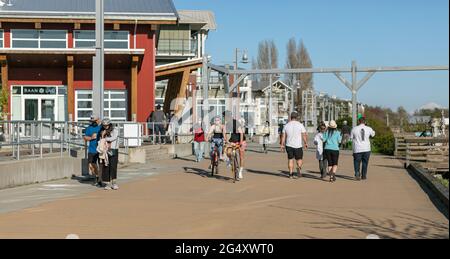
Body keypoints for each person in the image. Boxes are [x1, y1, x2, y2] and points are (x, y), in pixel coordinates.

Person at [280, 112, 308, 179]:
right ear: (297, 117)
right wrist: (305, 143)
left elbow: (283, 136)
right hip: (298, 145)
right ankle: (299, 168)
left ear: (290, 117)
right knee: (299, 159)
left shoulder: (286, 125)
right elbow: (304, 135)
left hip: (289, 145)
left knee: (290, 159)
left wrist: (282, 145)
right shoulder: (300, 125)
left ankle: (290, 174)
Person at [224, 111, 246, 180]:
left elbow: (241, 133)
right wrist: (226, 141)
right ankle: (230, 161)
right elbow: (225, 133)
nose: (224, 118)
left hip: (241, 140)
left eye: (225, 117)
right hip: (233, 140)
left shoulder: (235, 122)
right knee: (227, 151)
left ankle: (240, 172)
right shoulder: (227, 124)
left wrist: (241, 142)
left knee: (241, 156)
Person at [99, 118, 120, 190]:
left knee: (113, 166)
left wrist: (105, 138)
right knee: (106, 166)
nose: (105, 126)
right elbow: (100, 139)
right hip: (105, 150)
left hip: (113, 149)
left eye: (107, 125)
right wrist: (102, 136)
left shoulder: (115, 130)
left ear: (109, 124)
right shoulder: (102, 131)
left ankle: (114, 182)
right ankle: (107, 183)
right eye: (104, 125)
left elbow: (114, 138)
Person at [83, 114, 102, 186]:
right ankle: (97, 177)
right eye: (92, 121)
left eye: (95, 121)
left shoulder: (101, 127)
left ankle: (100, 179)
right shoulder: (89, 128)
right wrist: (91, 138)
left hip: (100, 149)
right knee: (91, 164)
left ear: (98, 120)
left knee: (101, 165)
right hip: (92, 149)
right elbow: (85, 137)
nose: (93, 122)